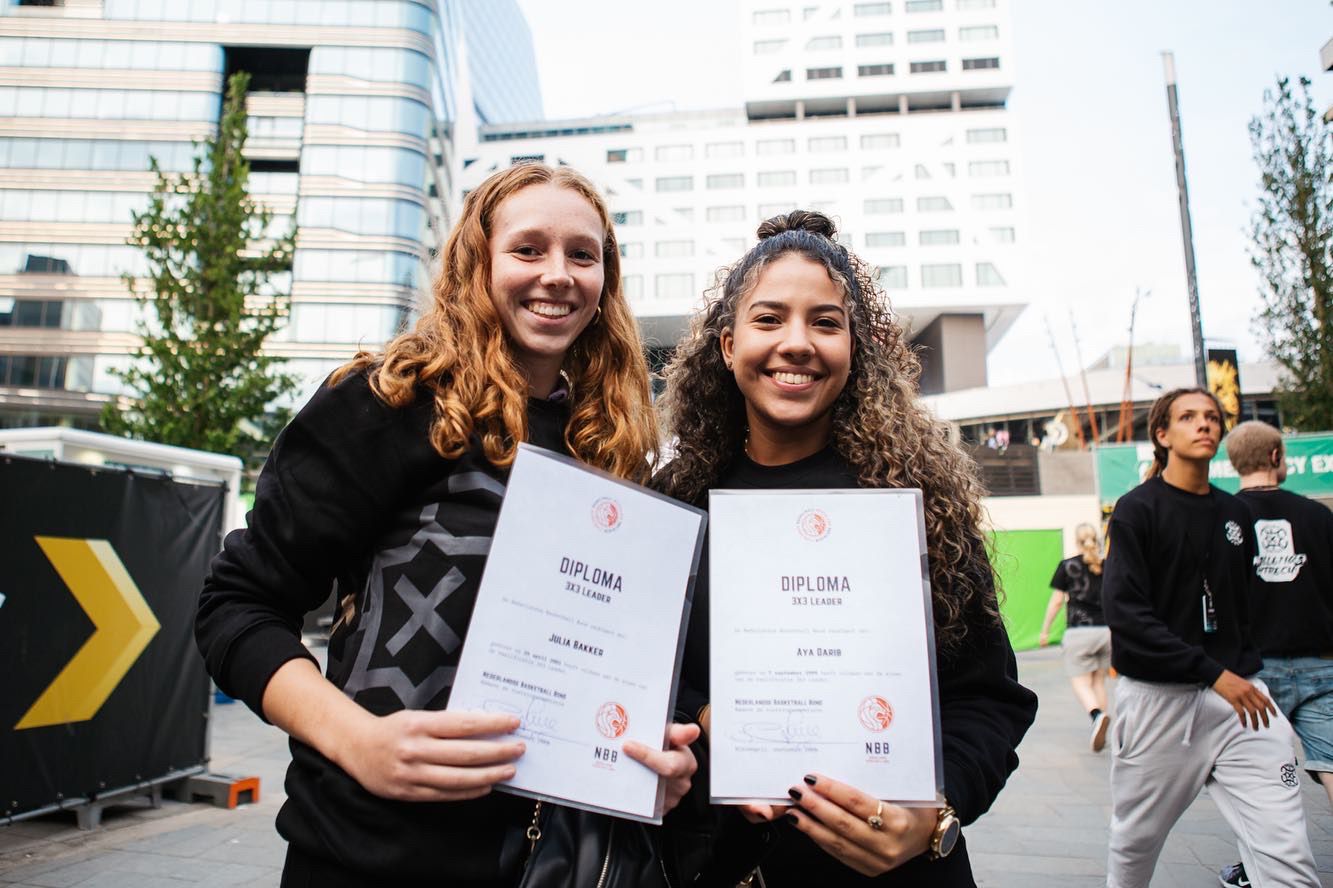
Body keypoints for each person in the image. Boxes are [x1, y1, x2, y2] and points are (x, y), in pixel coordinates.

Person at [195, 163, 699, 887]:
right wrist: (357, 740)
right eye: (528, 249)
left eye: (581, 255)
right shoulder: (387, 401)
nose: (557, 274)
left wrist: (656, 761)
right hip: (370, 856)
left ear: (604, 282)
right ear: (477, 261)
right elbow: (234, 607)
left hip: (552, 863)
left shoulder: (610, 448)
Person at [654, 211, 1037, 886]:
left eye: (825, 323)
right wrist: (704, 715)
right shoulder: (674, 500)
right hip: (717, 864)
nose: (796, 343)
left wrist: (933, 813)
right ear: (725, 343)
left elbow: (988, 699)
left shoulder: (916, 502)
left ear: (854, 346)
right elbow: (641, 672)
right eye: (768, 319)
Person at [1101, 388, 1319, 888]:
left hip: (1243, 700)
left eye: (1212, 417)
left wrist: (1239, 671)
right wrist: (1212, 673)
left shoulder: (1235, 514)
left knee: (1285, 848)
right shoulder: (1136, 511)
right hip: (1159, 703)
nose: (1204, 424)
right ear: (1163, 434)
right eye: (1188, 417)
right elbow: (1127, 617)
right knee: (1134, 846)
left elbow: (1242, 606)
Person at [1216, 420, 1333, 888]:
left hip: (1251, 674)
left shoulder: (1222, 519)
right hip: (1322, 662)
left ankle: (1258, 869)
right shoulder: (1318, 516)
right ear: (1278, 457)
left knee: (1260, 781)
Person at [1038, 522, 1113, 752]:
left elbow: (1058, 601)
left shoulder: (1067, 566)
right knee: (1098, 681)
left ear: (1077, 541)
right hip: (1107, 632)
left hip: (1080, 632)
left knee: (1080, 682)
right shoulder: (1107, 565)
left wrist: (1046, 629)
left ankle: (1096, 715)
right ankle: (1101, 725)